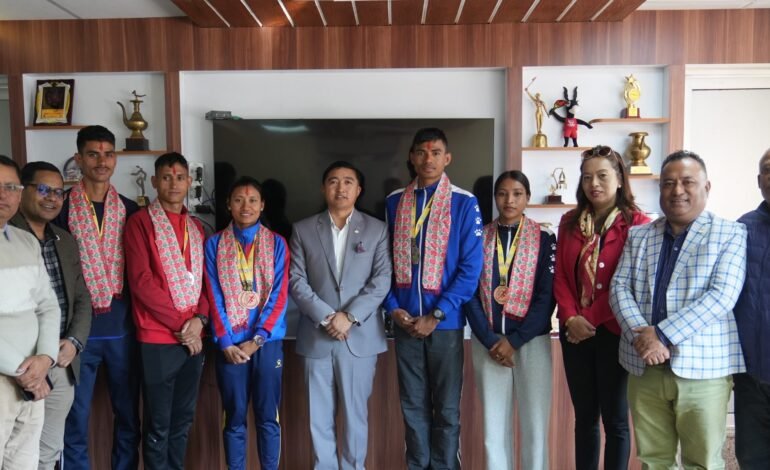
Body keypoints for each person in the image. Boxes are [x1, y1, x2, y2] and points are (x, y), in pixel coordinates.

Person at [610, 150, 747, 469]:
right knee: (654, 460)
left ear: (706, 187)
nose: (677, 190)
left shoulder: (730, 233)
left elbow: (721, 296)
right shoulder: (639, 235)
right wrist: (643, 339)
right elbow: (619, 288)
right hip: (645, 366)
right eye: (669, 183)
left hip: (703, 369)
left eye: (687, 182)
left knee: (703, 462)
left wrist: (660, 335)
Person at [383, 128, 483, 470]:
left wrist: (437, 313)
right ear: (412, 157)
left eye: (436, 152)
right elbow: (383, 263)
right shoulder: (395, 202)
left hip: (446, 325)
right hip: (405, 323)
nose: (428, 159)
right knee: (412, 406)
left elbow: (470, 269)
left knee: (447, 409)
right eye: (422, 152)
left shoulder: (464, 202)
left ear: (447, 158)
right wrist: (393, 308)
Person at [290, 161, 392, 470]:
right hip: (316, 336)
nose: (341, 187)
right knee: (318, 418)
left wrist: (349, 316)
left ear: (359, 190)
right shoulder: (303, 229)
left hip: (359, 337)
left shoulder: (377, 229)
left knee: (355, 416)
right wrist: (327, 317)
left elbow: (382, 280)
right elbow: (296, 280)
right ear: (324, 188)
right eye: (333, 181)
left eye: (348, 182)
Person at [553, 145, 649, 470]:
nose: (593, 183)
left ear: (620, 179)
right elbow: (561, 276)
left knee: (616, 420)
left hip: (614, 332)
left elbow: (629, 282)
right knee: (584, 419)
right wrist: (570, 317)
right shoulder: (569, 222)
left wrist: (587, 319)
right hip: (573, 333)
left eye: (602, 176)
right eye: (586, 177)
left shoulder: (638, 224)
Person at [56, 125, 141, 470]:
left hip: (122, 329)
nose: (101, 161)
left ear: (115, 159)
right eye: (93, 154)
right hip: (78, 333)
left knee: (128, 417)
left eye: (108, 154)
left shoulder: (131, 209)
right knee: (74, 419)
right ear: (78, 159)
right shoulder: (60, 209)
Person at [464, 171, 556, 470]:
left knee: (535, 427)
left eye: (517, 193)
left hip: (531, 342)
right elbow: (470, 293)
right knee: (493, 430)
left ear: (527, 197)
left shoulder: (544, 239)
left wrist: (515, 341)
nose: (509, 200)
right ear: (495, 198)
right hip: (488, 343)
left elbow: (546, 297)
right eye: (502, 193)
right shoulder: (479, 238)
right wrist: (491, 340)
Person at [124, 152, 209, 470]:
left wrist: (199, 321)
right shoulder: (140, 223)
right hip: (159, 338)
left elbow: (206, 283)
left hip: (194, 337)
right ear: (155, 181)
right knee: (158, 425)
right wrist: (184, 325)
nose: (174, 183)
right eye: (166, 177)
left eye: (180, 177)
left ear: (189, 182)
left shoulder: (196, 227)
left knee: (182, 421)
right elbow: (142, 282)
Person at [10, 162, 92, 470]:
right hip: (18, 364)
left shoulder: (65, 240)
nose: (52, 198)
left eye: (59, 192)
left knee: (48, 452)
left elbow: (82, 298)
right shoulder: (8, 236)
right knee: (14, 452)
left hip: (60, 361)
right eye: (44, 189)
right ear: (23, 190)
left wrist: (74, 342)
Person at [205, 176, 289, 470]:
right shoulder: (214, 244)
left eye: (253, 200)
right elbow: (213, 294)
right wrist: (226, 341)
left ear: (262, 205)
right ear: (228, 204)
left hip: (266, 343)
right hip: (230, 346)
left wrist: (258, 339)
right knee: (234, 417)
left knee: (267, 417)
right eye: (238, 199)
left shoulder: (277, 243)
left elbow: (280, 295)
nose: (246, 206)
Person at [0, 155, 60, 469]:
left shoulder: (25, 241)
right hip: (13, 377)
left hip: (32, 379)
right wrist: (24, 372)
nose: (3, 195)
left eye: (11, 187)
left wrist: (46, 357)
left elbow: (47, 305)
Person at [734, 148, 770, 469]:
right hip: (751, 374)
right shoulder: (742, 229)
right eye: (768, 170)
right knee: (751, 456)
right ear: (759, 180)